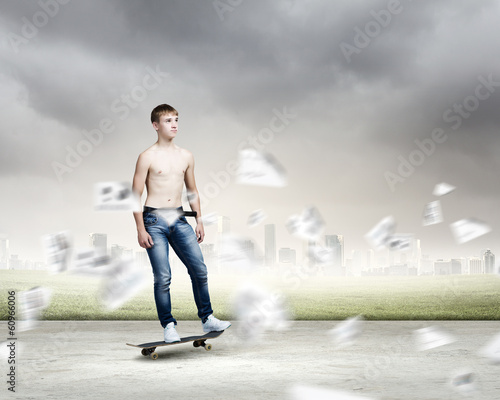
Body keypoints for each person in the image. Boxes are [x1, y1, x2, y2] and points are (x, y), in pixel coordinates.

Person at [132, 103, 231, 343]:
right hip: (154, 220)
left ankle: (207, 318)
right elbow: (134, 195)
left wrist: (199, 219)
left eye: (176, 119)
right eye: (168, 120)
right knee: (163, 277)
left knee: (199, 269)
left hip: (179, 218)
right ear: (156, 125)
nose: (174, 124)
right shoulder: (146, 157)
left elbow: (193, 190)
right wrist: (140, 229)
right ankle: (168, 326)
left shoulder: (186, 156)